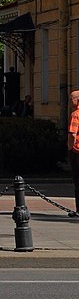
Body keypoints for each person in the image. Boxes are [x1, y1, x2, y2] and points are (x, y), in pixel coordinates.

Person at [67, 89, 79, 218]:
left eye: (72, 99)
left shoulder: (76, 114)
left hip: (77, 152)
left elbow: (72, 134)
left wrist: (70, 148)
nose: (71, 102)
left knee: (78, 183)